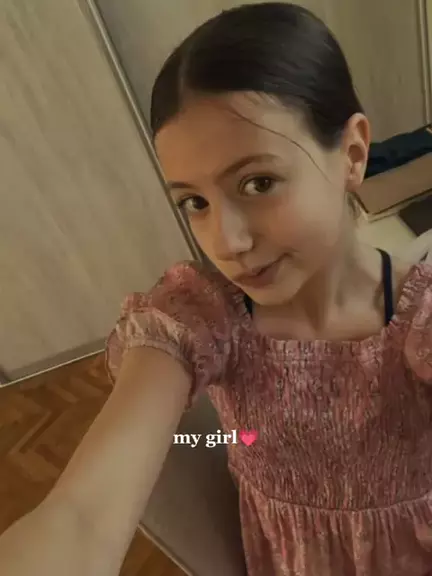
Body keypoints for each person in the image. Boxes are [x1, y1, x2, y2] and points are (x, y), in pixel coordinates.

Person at [1, 3, 432, 575]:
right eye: (195, 202)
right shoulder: (200, 316)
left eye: (258, 182)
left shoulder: (417, 317)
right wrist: (216, 443)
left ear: (352, 155)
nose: (226, 242)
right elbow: (79, 518)